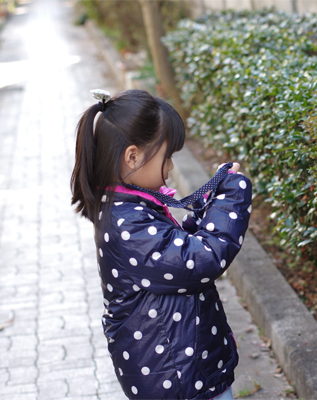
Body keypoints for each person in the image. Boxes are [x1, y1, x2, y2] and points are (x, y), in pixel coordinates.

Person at [70, 89, 251, 400]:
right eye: (166, 157)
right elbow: (201, 258)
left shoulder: (126, 206)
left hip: (181, 366)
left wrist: (210, 199)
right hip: (178, 378)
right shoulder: (126, 222)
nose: (169, 168)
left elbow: (175, 248)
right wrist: (234, 194)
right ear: (133, 156)